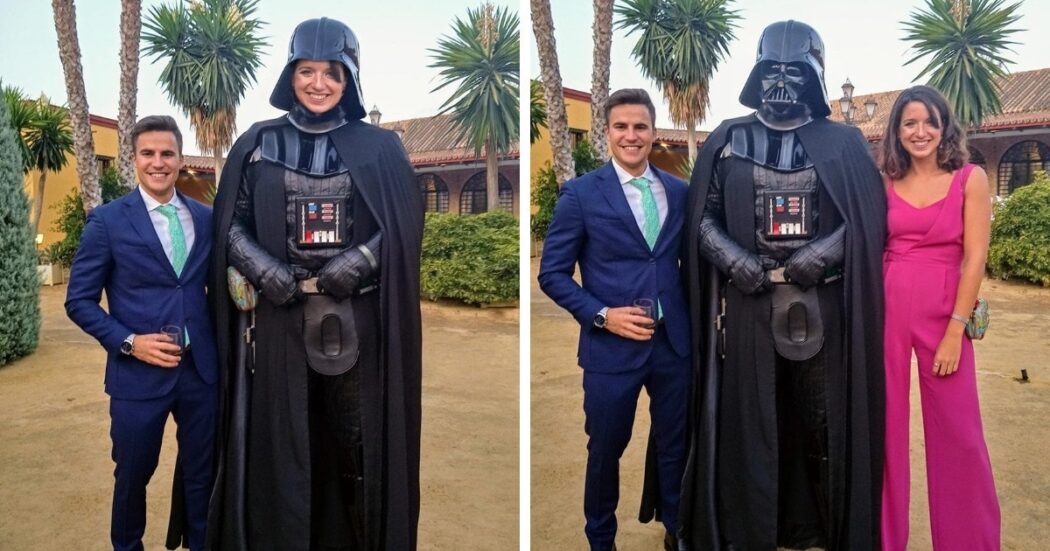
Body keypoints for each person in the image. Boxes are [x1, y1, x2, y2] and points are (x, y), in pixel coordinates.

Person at [205, 17, 423, 550]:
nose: (318, 83)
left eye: (332, 72)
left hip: (357, 323)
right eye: (307, 71)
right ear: (291, 74)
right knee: (285, 444)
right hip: (279, 323)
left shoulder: (381, 147)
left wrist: (362, 260)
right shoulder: (258, 144)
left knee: (357, 446)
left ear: (349, 79)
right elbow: (229, 222)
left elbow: (404, 224)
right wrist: (263, 268)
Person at [679, 20, 886, 550]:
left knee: (822, 421)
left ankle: (824, 528)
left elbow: (867, 217)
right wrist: (733, 260)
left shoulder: (844, 143)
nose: (781, 81)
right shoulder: (727, 140)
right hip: (749, 306)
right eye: (772, 69)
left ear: (815, 76)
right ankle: (752, 531)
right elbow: (701, 216)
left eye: (795, 71)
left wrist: (824, 252)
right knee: (753, 419)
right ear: (756, 71)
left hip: (822, 304)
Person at [539, 88, 691, 551]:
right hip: (610, 349)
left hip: (673, 345)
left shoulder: (679, 192)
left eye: (640, 126)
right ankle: (601, 539)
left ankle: (676, 530)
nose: (631, 135)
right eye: (621, 126)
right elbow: (552, 274)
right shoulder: (581, 194)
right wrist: (603, 316)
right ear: (606, 133)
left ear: (653, 131)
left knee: (675, 446)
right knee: (605, 450)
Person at [65, 115, 217, 550]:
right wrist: (131, 343)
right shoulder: (107, 222)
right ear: (133, 159)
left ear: (180, 159)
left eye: (167, 153)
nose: (158, 162)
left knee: (203, 474)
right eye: (148, 153)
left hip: (201, 373)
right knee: (132, 476)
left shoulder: (205, 218)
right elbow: (78, 301)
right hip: (137, 377)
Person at [879, 85, 1000, 550]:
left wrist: (955, 330)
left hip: (945, 313)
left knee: (959, 434)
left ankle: (968, 541)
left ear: (945, 126)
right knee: (886, 428)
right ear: (896, 131)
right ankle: (885, 539)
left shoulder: (971, 178)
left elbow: (975, 259)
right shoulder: (886, 181)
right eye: (909, 123)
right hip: (888, 307)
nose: (920, 131)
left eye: (930, 121)